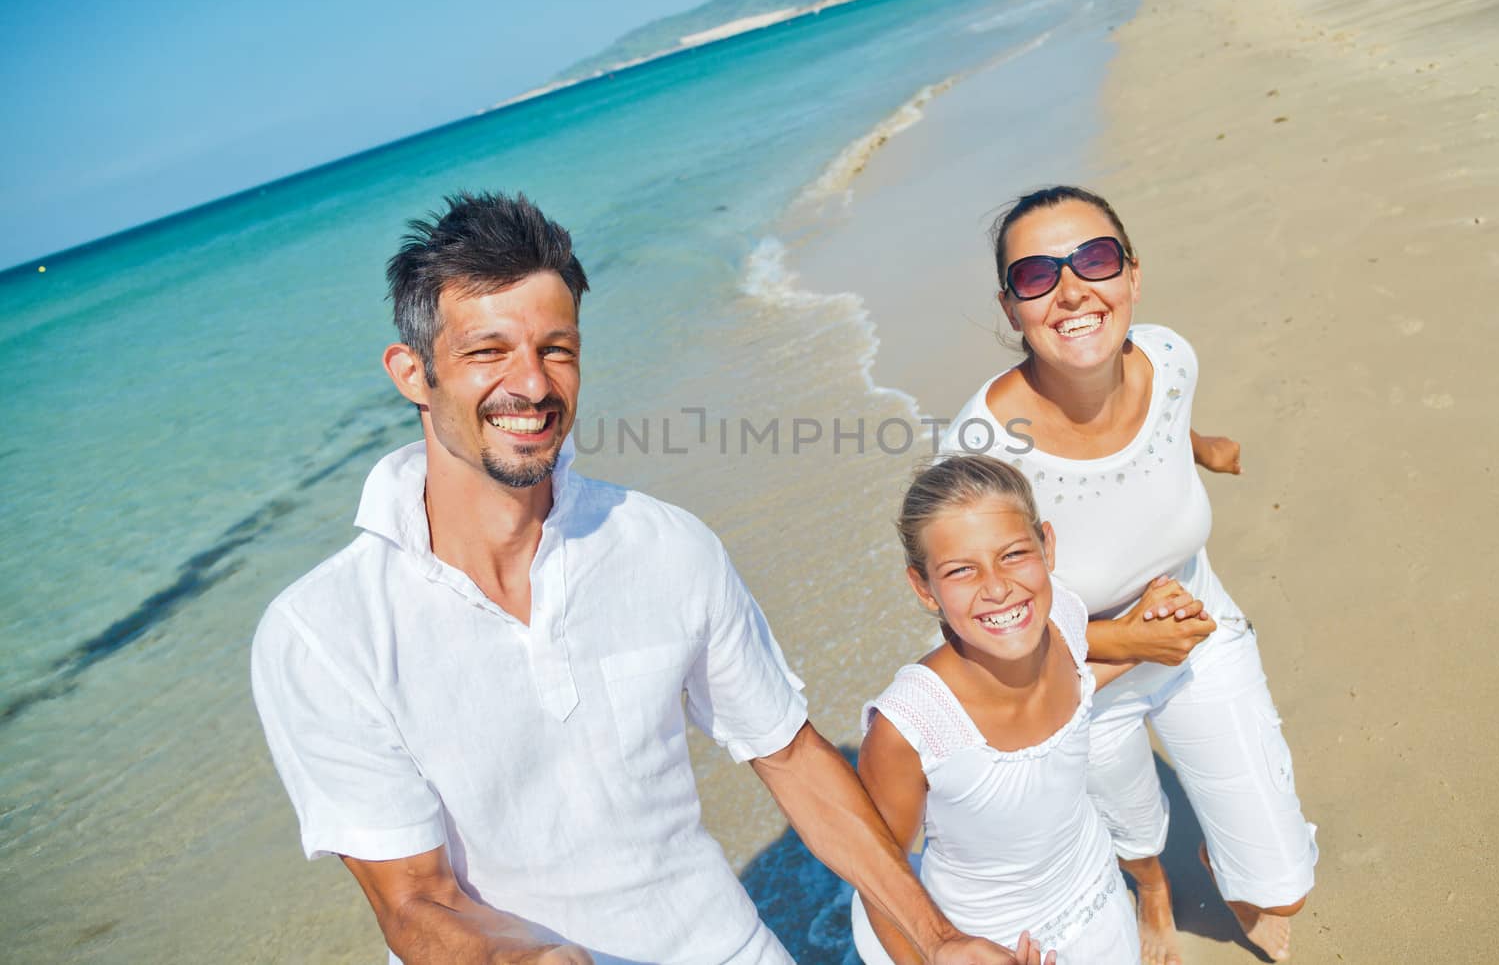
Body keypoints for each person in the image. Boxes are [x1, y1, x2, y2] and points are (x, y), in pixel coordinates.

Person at [250, 191, 1037, 965]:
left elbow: (787, 753)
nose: (531, 384)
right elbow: (412, 899)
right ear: (413, 373)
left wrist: (937, 939)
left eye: (556, 347)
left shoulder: (664, 545)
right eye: (487, 351)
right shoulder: (322, 632)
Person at [942, 186, 1318, 963]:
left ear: (1133, 277)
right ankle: (1152, 885)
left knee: (1281, 885)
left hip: (1200, 623)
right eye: (1038, 275)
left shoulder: (1172, 356)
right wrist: (1127, 637)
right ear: (1012, 309)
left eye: (1096, 259)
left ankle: (1226, 856)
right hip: (1082, 671)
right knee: (1137, 827)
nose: (1073, 288)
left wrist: (1207, 447)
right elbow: (982, 633)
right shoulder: (983, 449)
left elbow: (1163, 423)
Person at [850, 455, 1209, 965]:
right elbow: (881, 878)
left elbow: (1075, 688)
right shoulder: (911, 728)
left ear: (1048, 546)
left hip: (1094, 891)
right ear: (923, 587)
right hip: (985, 940)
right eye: (960, 570)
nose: (997, 588)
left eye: (1014, 554)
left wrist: (1146, 641)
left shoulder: (1060, 614)